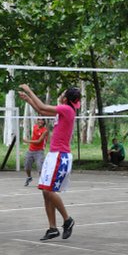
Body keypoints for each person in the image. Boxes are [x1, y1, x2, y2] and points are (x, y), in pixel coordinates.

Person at [18, 84, 79, 241]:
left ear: (65, 98)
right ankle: (52, 228)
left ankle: (67, 220)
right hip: (54, 155)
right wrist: (29, 100)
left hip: (60, 155)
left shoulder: (66, 109)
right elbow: (42, 111)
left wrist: (28, 90)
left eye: (63, 93)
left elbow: (43, 106)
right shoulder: (65, 109)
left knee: (49, 190)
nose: (61, 94)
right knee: (46, 191)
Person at [21, 118, 49, 186]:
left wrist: (27, 141)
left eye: (42, 120)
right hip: (31, 150)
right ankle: (29, 177)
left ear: (44, 122)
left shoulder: (45, 131)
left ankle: (41, 181)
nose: (40, 121)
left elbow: (39, 141)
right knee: (27, 166)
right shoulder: (35, 127)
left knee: (40, 167)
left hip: (39, 151)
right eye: (39, 120)